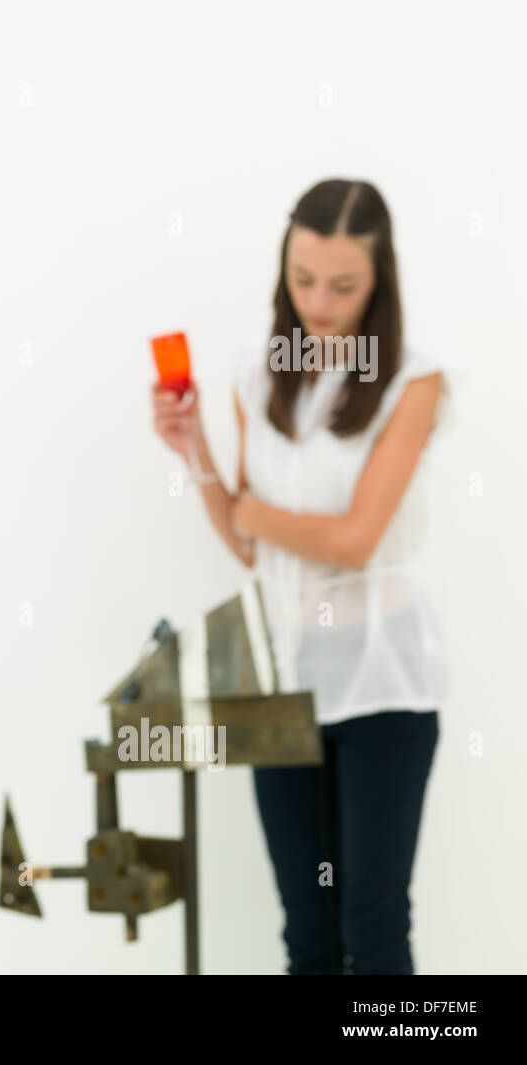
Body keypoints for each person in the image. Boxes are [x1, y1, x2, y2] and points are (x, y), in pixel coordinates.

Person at [151, 179, 449, 974]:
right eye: (304, 278)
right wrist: (198, 454)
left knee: (374, 925)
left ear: (379, 282)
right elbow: (255, 551)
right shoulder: (258, 377)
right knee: (305, 934)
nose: (319, 301)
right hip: (281, 678)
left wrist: (255, 513)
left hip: (382, 682)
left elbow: (354, 541)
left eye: (344, 285)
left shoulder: (413, 383)